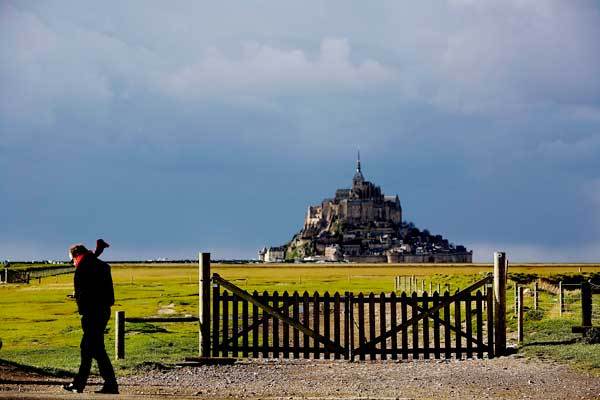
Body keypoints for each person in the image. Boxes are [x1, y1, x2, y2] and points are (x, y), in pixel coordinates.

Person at [63, 239, 118, 394]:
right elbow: (101, 290)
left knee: (88, 347)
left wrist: (80, 298)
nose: (72, 263)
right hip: (103, 311)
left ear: (76, 255)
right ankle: (109, 384)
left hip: (91, 314)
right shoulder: (102, 266)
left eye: (71, 260)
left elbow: (86, 293)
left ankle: (80, 384)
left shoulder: (82, 268)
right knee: (95, 349)